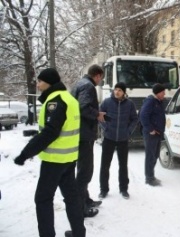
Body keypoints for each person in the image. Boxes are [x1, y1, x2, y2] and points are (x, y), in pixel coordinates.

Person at [14, 68, 86, 237]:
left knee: (43, 199)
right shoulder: (69, 99)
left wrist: (25, 153)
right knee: (71, 197)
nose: (37, 85)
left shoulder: (55, 101)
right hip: (68, 159)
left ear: (49, 82)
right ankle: (79, 233)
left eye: (40, 81)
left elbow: (50, 132)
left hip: (54, 160)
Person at [71, 64, 105, 218]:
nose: (100, 81)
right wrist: (97, 114)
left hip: (79, 134)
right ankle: (81, 207)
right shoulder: (88, 86)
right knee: (85, 171)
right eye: (101, 78)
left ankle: (86, 200)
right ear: (97, 75)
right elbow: (83, 108)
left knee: (83, 170)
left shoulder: (79, 83)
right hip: (84, 135)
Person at [98, 82, 138, 199]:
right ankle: (103, 190)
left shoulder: (129, 104)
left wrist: (128, 131)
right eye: (115, 89)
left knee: (123, 165)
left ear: (124, 92)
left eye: (120, 90)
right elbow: (99, 117)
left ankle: (124, 189)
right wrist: (106, 128)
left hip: (123, 139)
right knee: (105, 165)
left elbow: (134, 119)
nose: (117, 92)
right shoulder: (107, 102)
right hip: (109, 138)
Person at [139, 83, 166, 186]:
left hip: (158, 133)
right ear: (158, 92)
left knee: (155, 155)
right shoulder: (150, 101)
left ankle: (151, 176)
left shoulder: (158, 101)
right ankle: (149, 178)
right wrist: (150, 129)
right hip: (151, 134)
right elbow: (143, 116)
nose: (164, 93)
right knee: (150, 156)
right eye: (163, 92)